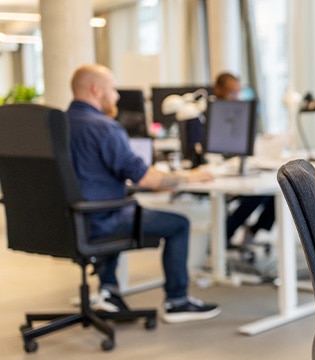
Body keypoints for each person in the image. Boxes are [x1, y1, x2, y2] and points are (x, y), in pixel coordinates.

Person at [66, 64, 221, 323]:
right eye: (112, 89)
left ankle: (109, 291)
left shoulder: (56, 125)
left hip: (69, 220)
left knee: (116, 203)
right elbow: (146, 178)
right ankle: (177, 301)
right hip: (101, 220)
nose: (116, 96)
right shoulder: (104, 127)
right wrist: (189, 177)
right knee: (179, 224)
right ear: (96, 90)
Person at [213, 72, 275, 250]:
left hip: (240, 167)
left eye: (238, 93)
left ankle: (254, 231)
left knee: (275, 192)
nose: (235, 98)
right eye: (231, 92)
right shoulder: (208, 113)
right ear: (218, 90)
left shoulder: (239, 113)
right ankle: (225, 235)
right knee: (257, 194)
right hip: (220, 171)